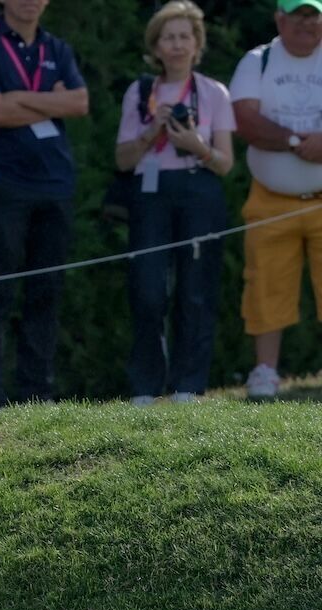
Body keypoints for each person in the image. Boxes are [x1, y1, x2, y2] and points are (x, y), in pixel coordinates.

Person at [0, 0, 89, 409]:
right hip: (6, 183)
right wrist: (47, 99)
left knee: (46, 290)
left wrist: (18, 96)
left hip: (56, 183)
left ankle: (38, 393)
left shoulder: (58, 49)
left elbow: (79, 103)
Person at [115, 2, 235, 405]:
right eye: (170, 37)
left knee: (195, 291)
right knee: (148, 289)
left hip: (198, 189)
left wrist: (194, 145)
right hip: (150, 193)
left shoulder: (214, 92)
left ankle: (189, 386)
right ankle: (146, 385)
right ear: (157, 45)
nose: (178, 45)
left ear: (197, 43)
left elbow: (225, 163)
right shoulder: (140, 92)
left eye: (185, 36)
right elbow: (122, 160)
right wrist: (153, 130)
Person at [231, 0, 322, 400]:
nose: (309, 22)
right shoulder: (258, 60)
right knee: (265, 284)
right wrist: (293, 142)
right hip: (271, 198)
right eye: (299, 14)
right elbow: (244, 119)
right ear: (279, 19)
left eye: (315, 14)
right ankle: (265, 372)